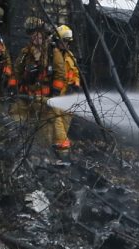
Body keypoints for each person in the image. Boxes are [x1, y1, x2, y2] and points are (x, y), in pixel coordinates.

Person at [12, 18, 67, 153]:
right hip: (26, 97)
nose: (35, 37)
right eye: (32, 35)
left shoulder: (53, 52)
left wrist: (55, 92)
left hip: (45, 100)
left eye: (38, 34)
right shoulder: (26, 52)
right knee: (15, 121)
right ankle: (15, 149)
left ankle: (54, 154)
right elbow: (17, 71)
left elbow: (60, 74)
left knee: (46, 131)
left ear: (43, 33)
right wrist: (15, 85)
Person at [49, 24, 80, 155]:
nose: (66, 44)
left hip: (67, 95)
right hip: (55, 94)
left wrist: (75, 85)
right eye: (64, 41)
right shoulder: (51, 54)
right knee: (56, 122)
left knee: (66, 121)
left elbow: (75, 73)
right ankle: (61, 151)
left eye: (68, 42)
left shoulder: (70, 56)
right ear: (57, 40)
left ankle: (57, 149)